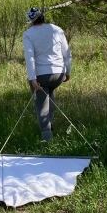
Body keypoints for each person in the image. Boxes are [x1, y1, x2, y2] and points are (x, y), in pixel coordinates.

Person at [23, 7, 72, 141]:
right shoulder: (57, 29)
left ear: (31, 21)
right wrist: (68, 71)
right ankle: (50, 126)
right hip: (58, 73)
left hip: (41, 75)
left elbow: (30, 57)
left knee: (41, 103)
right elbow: (66, 53)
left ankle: (47, 139)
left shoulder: (28, 34)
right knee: (49, 94)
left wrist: (32, 78)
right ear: (43, 17)